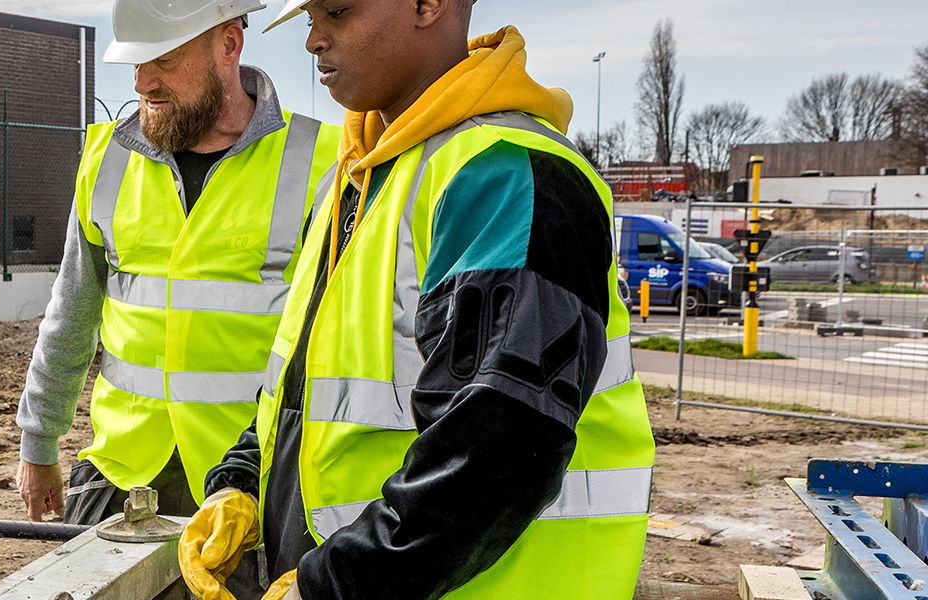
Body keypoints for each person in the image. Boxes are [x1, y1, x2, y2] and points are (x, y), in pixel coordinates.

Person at [178, 1, 655, 599]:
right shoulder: (362, 176)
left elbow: (498, 447)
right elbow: (305, 382)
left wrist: (337, 584)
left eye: (338, 12)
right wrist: (241, 481)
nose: (313, 42)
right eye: (309, 20)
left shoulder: (503, 174)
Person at [15, 0, 338, 531]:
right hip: (123, 465)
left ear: (229, 45)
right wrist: (39, 440)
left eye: (162, 58)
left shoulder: (320, 160)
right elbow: (71, 311)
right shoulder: (107, 158)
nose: (143, 81)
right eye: (135, 63)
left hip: (252, 473)